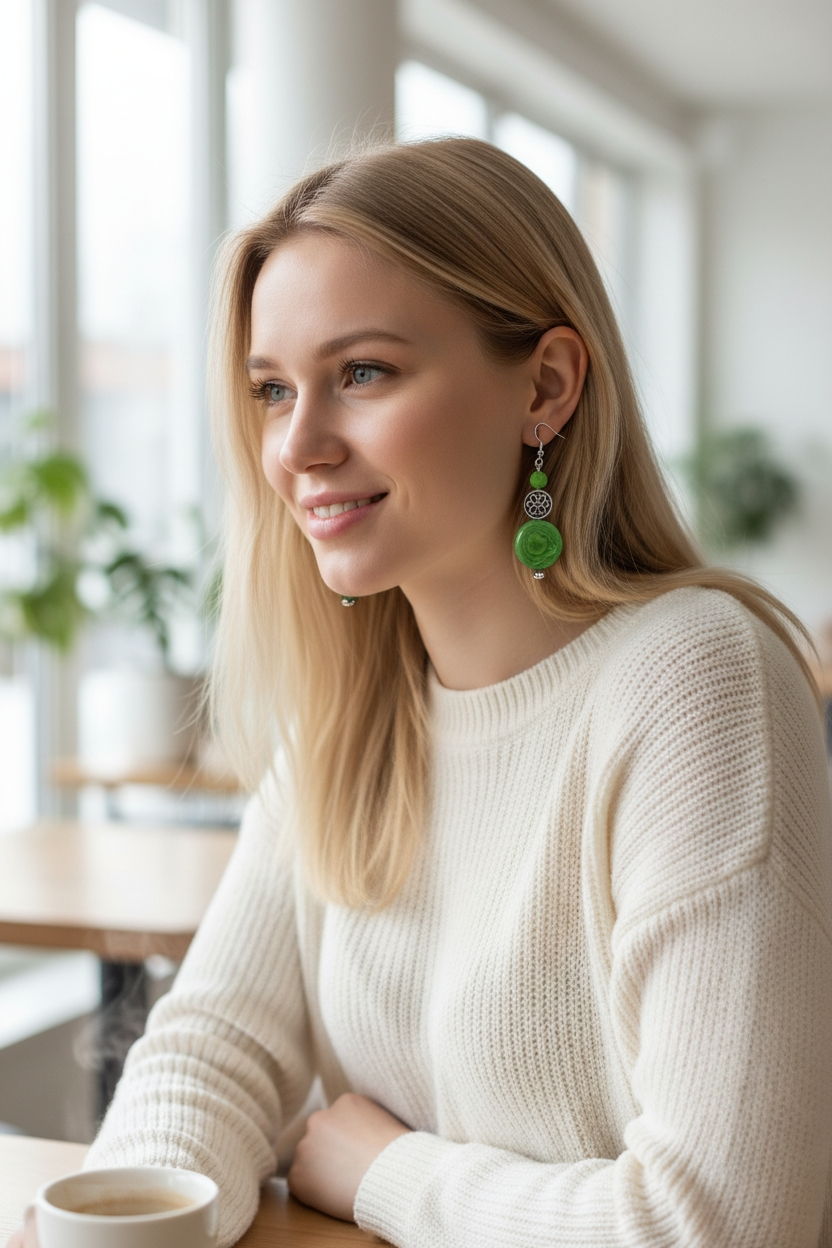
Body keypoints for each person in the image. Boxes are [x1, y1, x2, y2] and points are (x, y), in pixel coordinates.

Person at [11, 137, 832, 1248]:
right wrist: (127, 1221)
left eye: (363, 373)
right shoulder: (351, 710)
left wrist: (389, 1172)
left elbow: (720, 1225)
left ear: (545, 387)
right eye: (270, 390)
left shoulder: (695, 681)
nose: (296, 445)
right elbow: (215, 1049)